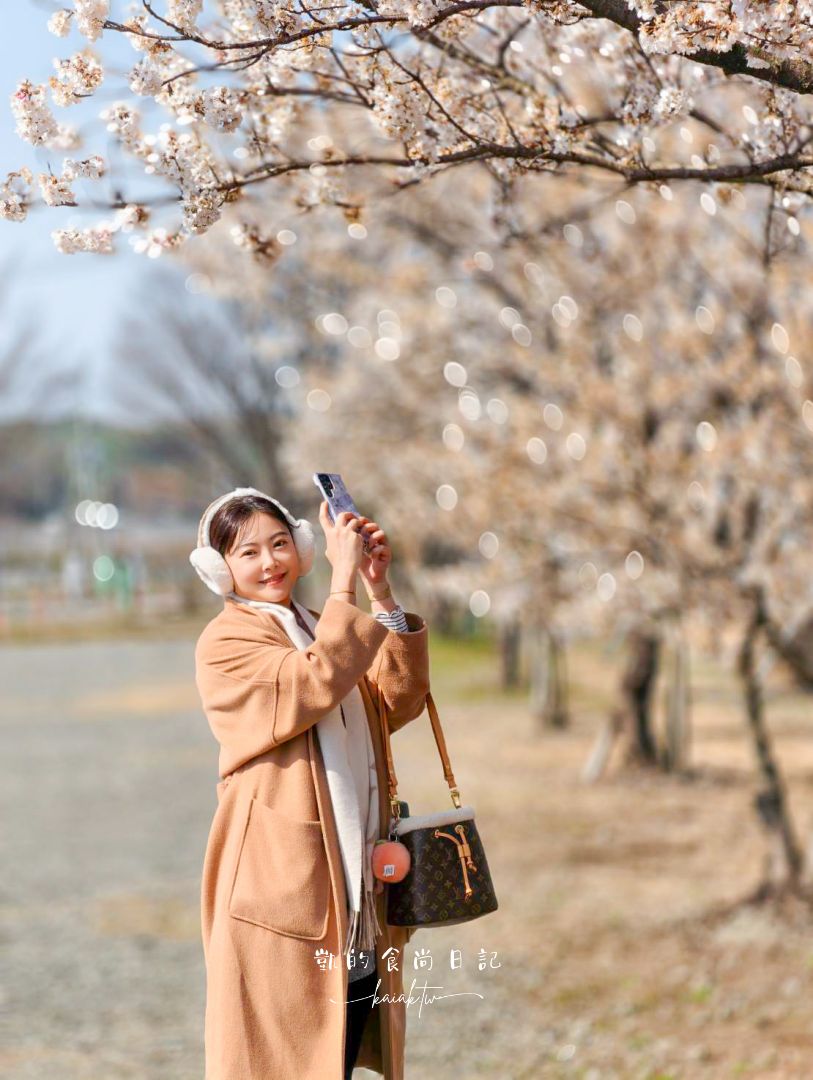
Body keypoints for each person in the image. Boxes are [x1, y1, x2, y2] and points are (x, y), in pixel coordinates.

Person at [190, 487, 430, 1080]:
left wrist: (378, 590)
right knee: (288, 1057)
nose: (270, 563)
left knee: (339, 1050)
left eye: (279, 544)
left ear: (300, 549)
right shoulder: (225, 643)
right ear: (221, 569)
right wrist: (342, 581)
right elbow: (310, 683)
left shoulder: (318, 625)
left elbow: (396, 701)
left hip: (353, 889)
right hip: (281, 887)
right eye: (248, 553)